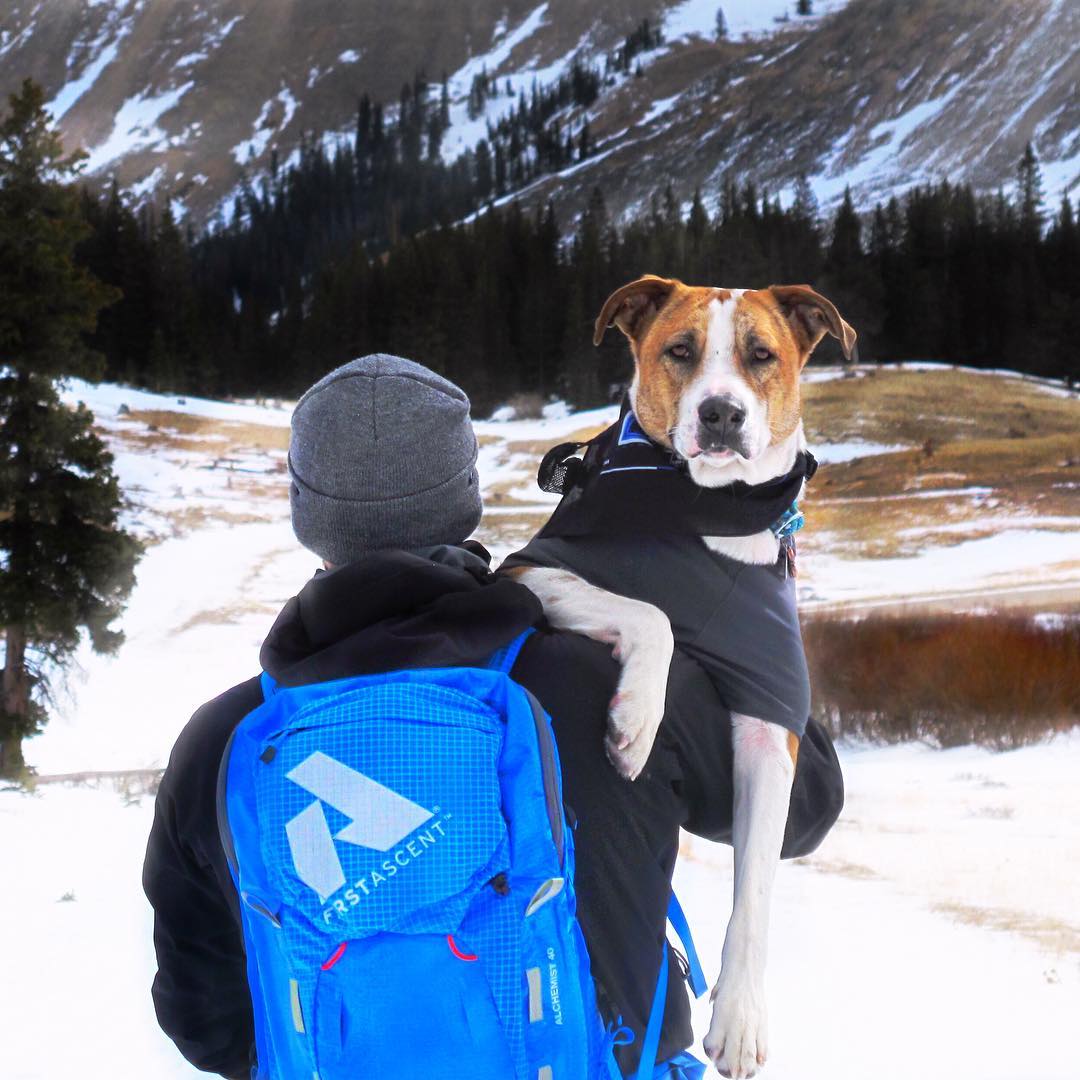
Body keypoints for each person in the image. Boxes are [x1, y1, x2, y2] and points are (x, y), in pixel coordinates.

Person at [143, 354, 843, 1078]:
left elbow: (206, 1022)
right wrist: (736, 595)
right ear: (466, 496)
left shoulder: (222, 743)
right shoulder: (601, 675)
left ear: (306, 514)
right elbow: (808, 800)